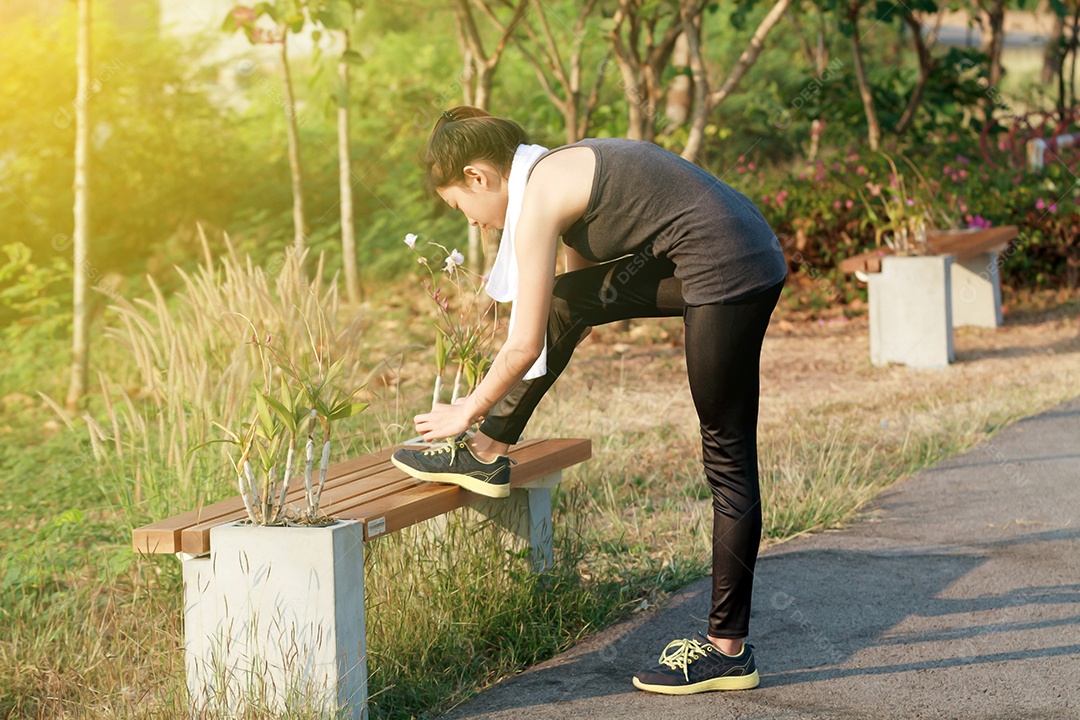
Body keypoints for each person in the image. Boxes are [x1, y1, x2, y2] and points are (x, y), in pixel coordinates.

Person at [391, 106, 787, 694]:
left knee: (725, 455)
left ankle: (727, 650)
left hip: (728, 269)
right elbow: (579, 289)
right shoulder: (556, 171)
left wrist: (465, 407)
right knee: (567, 301)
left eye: (460, 209)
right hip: (740, 247)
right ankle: (488, 448)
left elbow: (524, 344)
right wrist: (577, 312)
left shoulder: (540, 198)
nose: (474, 225)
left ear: (478, 177)